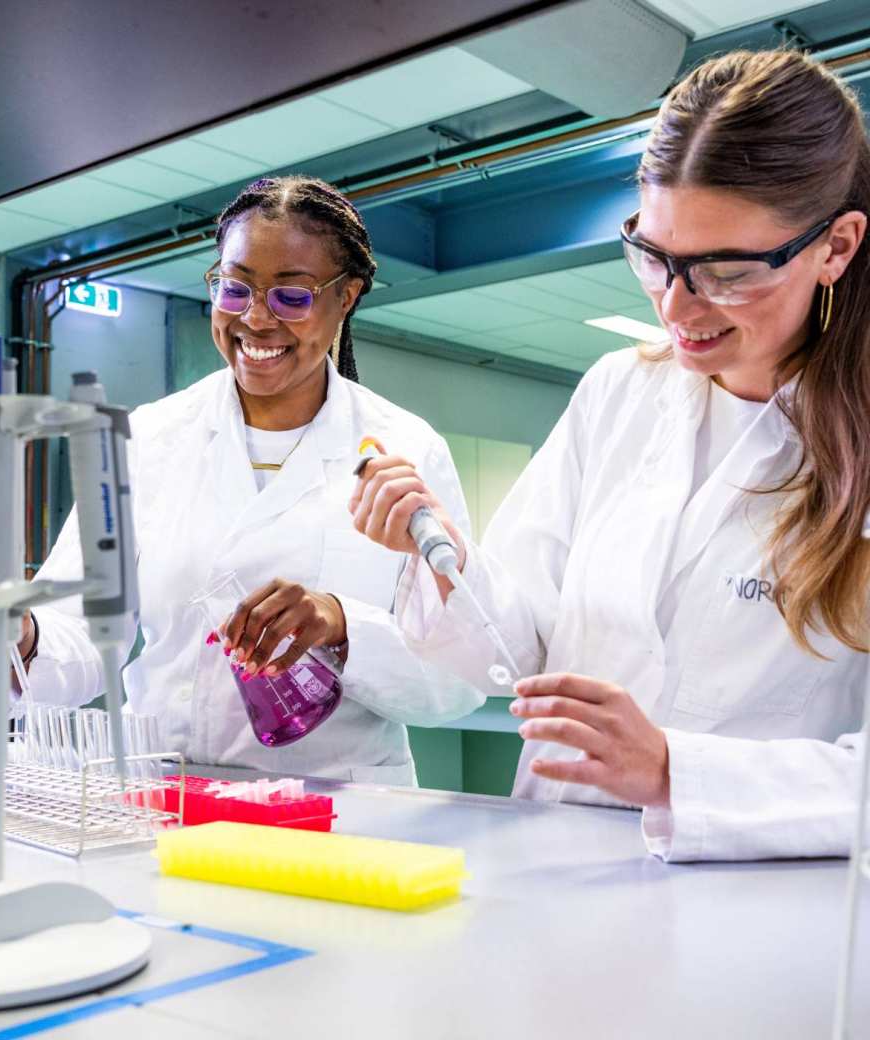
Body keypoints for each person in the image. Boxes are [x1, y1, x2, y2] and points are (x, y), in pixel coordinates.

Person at [350, 49, 870, 860]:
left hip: (754, 920)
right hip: (555, 870)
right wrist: (446, 565)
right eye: (654, 257)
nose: (676, 303)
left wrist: (675, 772)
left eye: (726, 270)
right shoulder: (617, 394)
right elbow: (517, 650)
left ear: (835, 247)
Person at [15, 175, 481, 784]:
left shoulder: (405, 450)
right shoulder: (146, 440)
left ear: (347, 298)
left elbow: (456, 678)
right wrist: (21, 635)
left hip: (339, 812)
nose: (256, 320)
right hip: (165, 796)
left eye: (293, 296)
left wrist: (343, 627)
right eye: (235, 290)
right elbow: (78, 630)